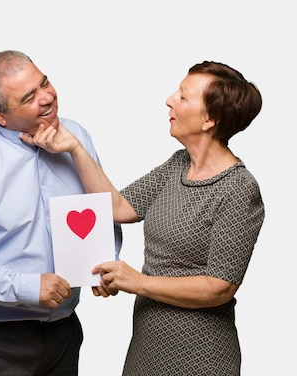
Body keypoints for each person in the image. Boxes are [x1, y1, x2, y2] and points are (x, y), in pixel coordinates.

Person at [21, 60, 264, 375]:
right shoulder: (178, 165)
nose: (169, 99)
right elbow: (119, 208)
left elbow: (219, 287)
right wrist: (75, 149)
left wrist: (136, 281)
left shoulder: (239, 188)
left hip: (201, 352)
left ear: (209, 119)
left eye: (184, 96)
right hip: (148, 343)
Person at [0, 50, 122, 376]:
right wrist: (27, 287)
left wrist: (106, 260)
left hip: (64, 332)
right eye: (28, 97)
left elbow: (102, 208)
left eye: (44, 82)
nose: (47, 98)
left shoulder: (77, 137)